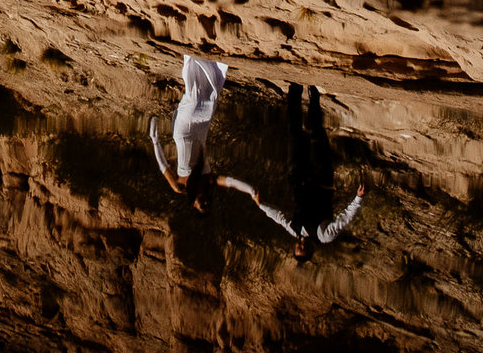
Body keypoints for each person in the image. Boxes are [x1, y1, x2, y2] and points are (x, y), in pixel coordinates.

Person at [217, 82, 364, 260]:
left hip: (299, 177)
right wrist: (358, 198)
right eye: (304, 248)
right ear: (311, 251)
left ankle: (295, 91)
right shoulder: (325, 236)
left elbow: (279, 217)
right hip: (321, 178)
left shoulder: (294, 229)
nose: (301, 244)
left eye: (298, 247)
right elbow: (345, 218)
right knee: (317, 134)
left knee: (294, 133)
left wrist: (261, 204)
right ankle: (314, 94)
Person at [148, 53, 228, 213]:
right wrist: (252, 191)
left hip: (183, 131)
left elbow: (163, 166)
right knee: (209, 98)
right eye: (208, 205)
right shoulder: (208, 181)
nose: (205, 203)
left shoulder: (180, 187)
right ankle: (210, 56)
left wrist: (155, 141)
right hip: (202, 128)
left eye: (202, 207)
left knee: (193, 98)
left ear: (193, 205)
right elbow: (233, 182)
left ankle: (192, 57)